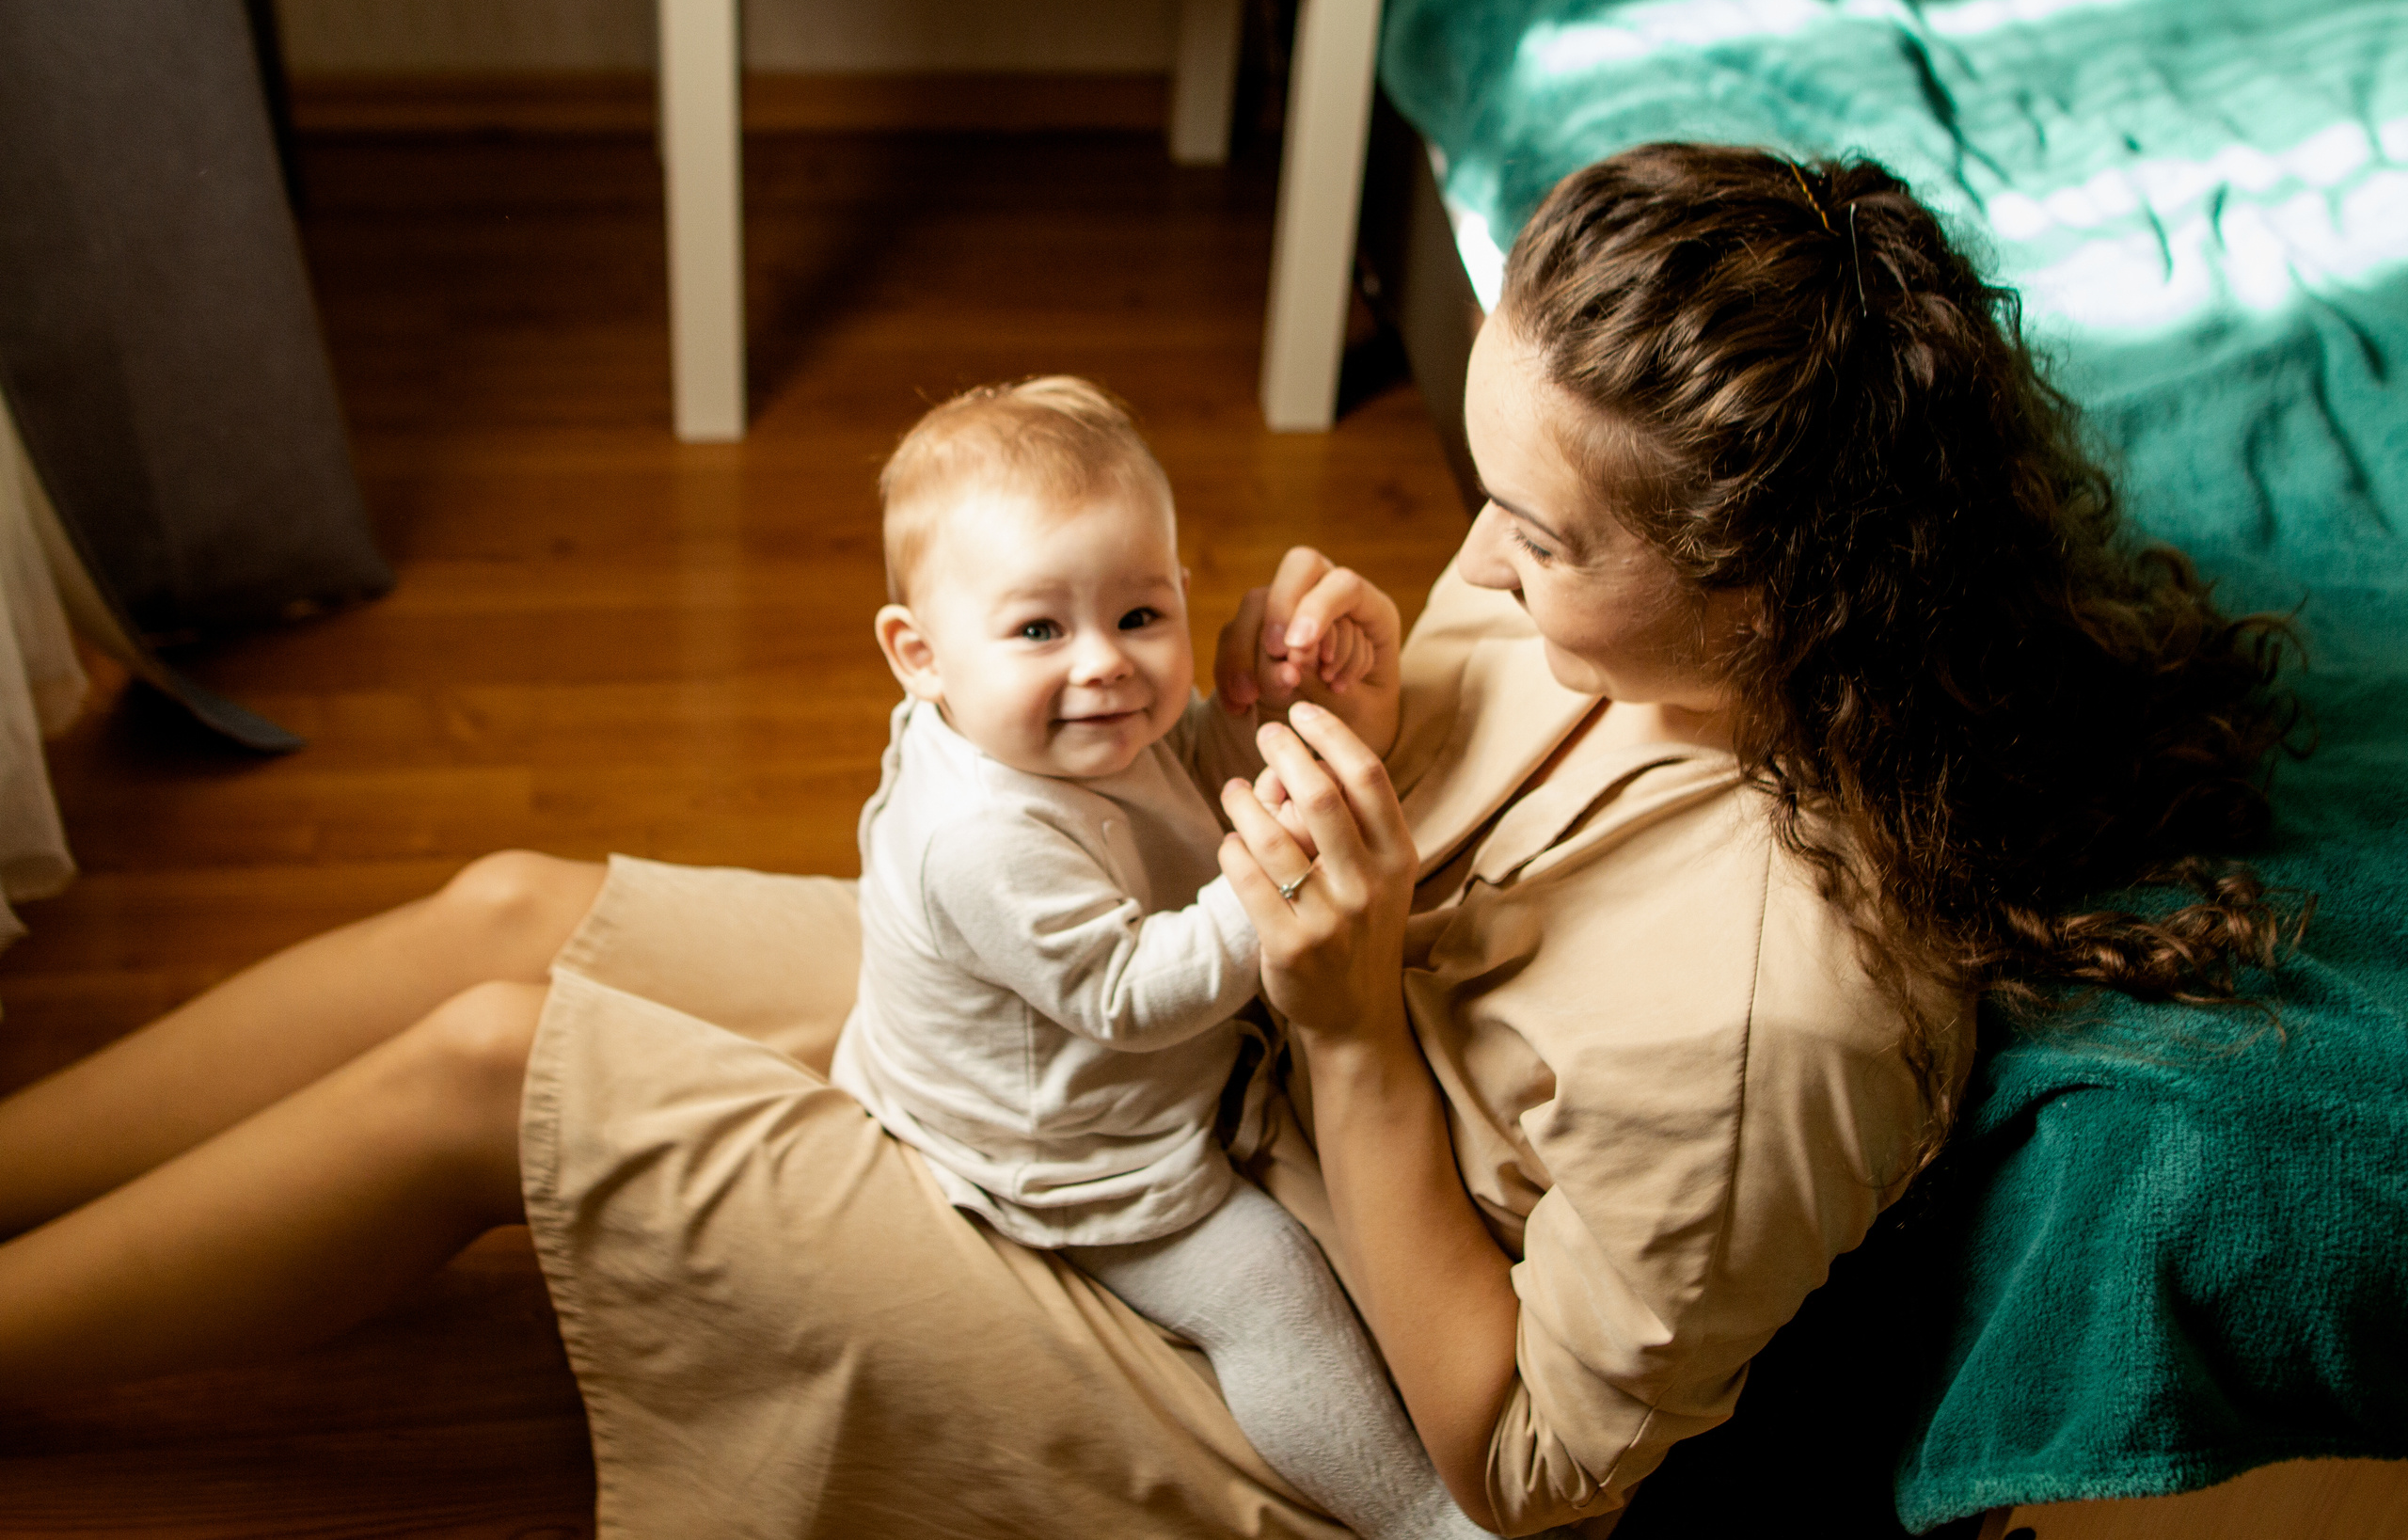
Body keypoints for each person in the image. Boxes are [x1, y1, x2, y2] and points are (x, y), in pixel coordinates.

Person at [0, 144, 2297, 1538]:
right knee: (514, 912)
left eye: (1525, 520)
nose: (1473, 546)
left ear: (1766, 586)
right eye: (1477, 477)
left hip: (1247, 1311)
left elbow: (1518, 1470)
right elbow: (1432, 773)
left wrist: (1357, 1019)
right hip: (1188, 1055)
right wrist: (1328, 710)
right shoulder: (1619, 612)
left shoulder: (1778, 1002)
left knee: (485, 1065)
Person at [838, 373, 1486, 1540]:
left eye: (1140, 617)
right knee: (1267, 1290)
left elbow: (1187, 764)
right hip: (1066, 1145)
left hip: (1164, 1071)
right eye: (1040, 629)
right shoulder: (978, 837)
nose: (1105, 665)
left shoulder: (1076, 725)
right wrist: (1280, 872)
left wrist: (1270, 716)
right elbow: (1131, 996)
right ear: (919, 655)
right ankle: (1419, 1521)